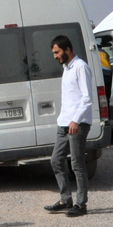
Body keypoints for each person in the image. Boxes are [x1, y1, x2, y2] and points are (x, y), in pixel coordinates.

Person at [43, 36, 95, 217]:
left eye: (57, 52)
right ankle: (65, 199)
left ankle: (81, 204)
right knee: (56, 160)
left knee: (77, 164)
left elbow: (87, 98)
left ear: (67, 50)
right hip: (64, 123)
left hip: (77, 124)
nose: (55, 56)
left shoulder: (81, 67)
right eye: (54, 53)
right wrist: (63, 119)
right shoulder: (66, 68)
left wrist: (76, 120)